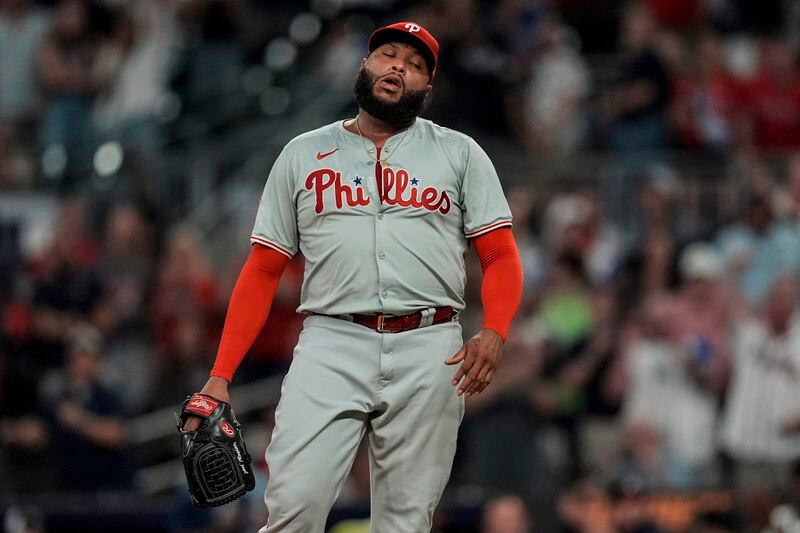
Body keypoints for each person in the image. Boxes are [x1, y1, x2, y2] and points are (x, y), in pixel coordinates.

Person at [182, 21, 523, 532]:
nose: (397, 68)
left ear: (426, 88)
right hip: (331, 340)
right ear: (364, 66)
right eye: (387, 55)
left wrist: (495, 329)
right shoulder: (302, 152)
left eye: (413, 65)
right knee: (292, 505)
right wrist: (221, 373)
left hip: (431, 346)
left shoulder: (460, 152)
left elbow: (500, 255)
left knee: (405, 522)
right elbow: (262, 269)